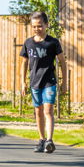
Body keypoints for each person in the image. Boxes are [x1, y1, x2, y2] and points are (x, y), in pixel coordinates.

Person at [21, 12, 67, 153]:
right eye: (34, 26)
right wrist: (23, 82)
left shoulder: (53, 42)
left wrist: (64, 82)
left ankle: (49, 140)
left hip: (49, 81)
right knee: (38, 112)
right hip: (35, 82)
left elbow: (62, 62)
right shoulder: (28, 43)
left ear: (46, 25)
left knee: (48, 110)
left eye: (40, 26)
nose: (37, 29)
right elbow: (24, 63)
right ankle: (41, 140)